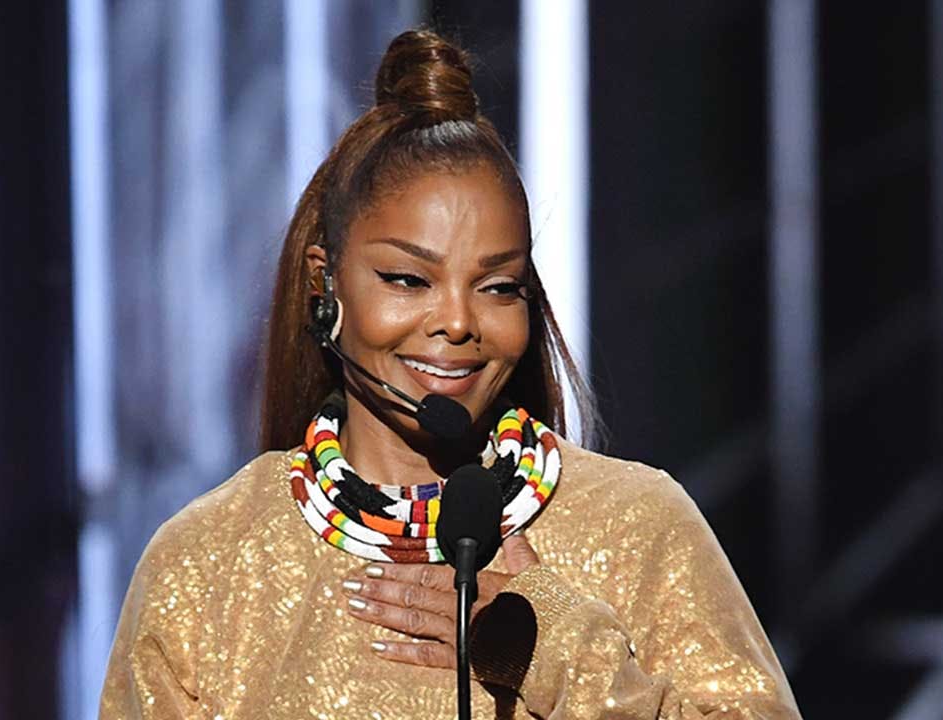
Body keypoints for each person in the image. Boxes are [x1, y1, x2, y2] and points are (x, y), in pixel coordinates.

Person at [99, 29, 802, 720]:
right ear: (326, 285)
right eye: (408, 279)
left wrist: (554, 648)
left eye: (498, 287)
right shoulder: (209, 562)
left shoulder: (639, 527)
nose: (458, 323)